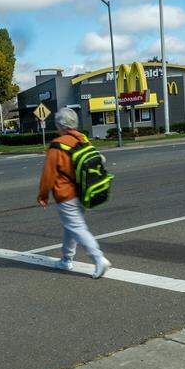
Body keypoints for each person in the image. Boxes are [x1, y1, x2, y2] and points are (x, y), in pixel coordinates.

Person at [36, 107, 111, 279]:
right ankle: (66, 259)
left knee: (76, 227)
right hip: (84, 191)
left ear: (60, 125)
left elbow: (48, 174)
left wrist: (43, 195)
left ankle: (99, 259)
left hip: (66, 194)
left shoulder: (57, 146)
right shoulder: (83, 139)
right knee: (71, 227)